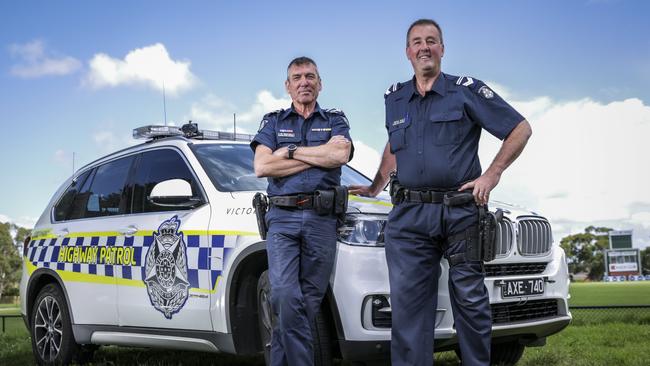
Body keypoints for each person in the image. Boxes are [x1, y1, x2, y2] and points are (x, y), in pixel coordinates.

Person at [349, 19, 532, 366]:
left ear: (442, 49)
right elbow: (394, 145)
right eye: (417, 42)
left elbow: (520, 128)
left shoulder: (465, 90)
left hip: (461, 211)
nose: (424, 48)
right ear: (407, 52)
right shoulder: (395, 97)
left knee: (470, 302)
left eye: (431, 41)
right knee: (408, 308)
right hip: (410, 216)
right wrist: (376, 185)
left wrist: (492, 175)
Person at [251, 56, 353, 366]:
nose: (304, 82)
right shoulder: (273, 121)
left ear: (320, 84)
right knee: (284, 295)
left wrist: (292, 152)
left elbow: (340, 154)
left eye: (310, 76)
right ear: (288, 86)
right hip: (282, 218)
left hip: (322, 219)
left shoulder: (335, 118)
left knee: (307, 303)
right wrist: (318, 156)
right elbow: (262, 166)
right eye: (297, 77)